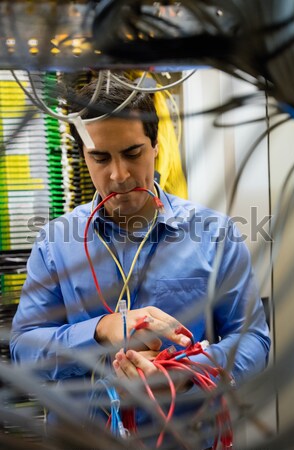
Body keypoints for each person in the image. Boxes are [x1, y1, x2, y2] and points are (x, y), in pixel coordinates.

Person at [10, 74, 270, 449]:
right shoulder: (55, 243)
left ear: (155, 146)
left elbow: (254, 342)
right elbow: (23, 349)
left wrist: (186, 373)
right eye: (100, 157)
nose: (119, 175)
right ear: (84, 155)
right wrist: (101, 330)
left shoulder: (215, 233)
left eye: (132, 153)